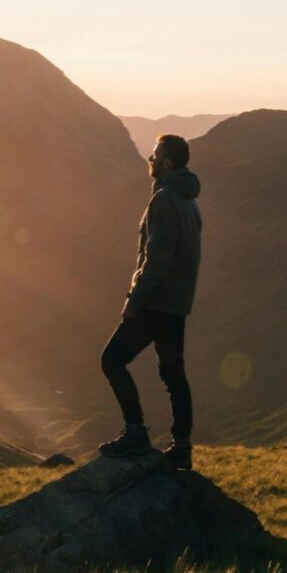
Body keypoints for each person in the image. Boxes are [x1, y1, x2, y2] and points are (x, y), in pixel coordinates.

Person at [98, 132, 202, 469]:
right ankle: (182, 446)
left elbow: (156, 259)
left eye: (155, 156)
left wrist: (135, 301)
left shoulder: (165, 200)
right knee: (173, 373)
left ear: (167, 162)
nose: (150, 160)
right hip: (177, 305)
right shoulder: (190, 201)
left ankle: (135, 433)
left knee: (112, 360)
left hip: (156, 302)